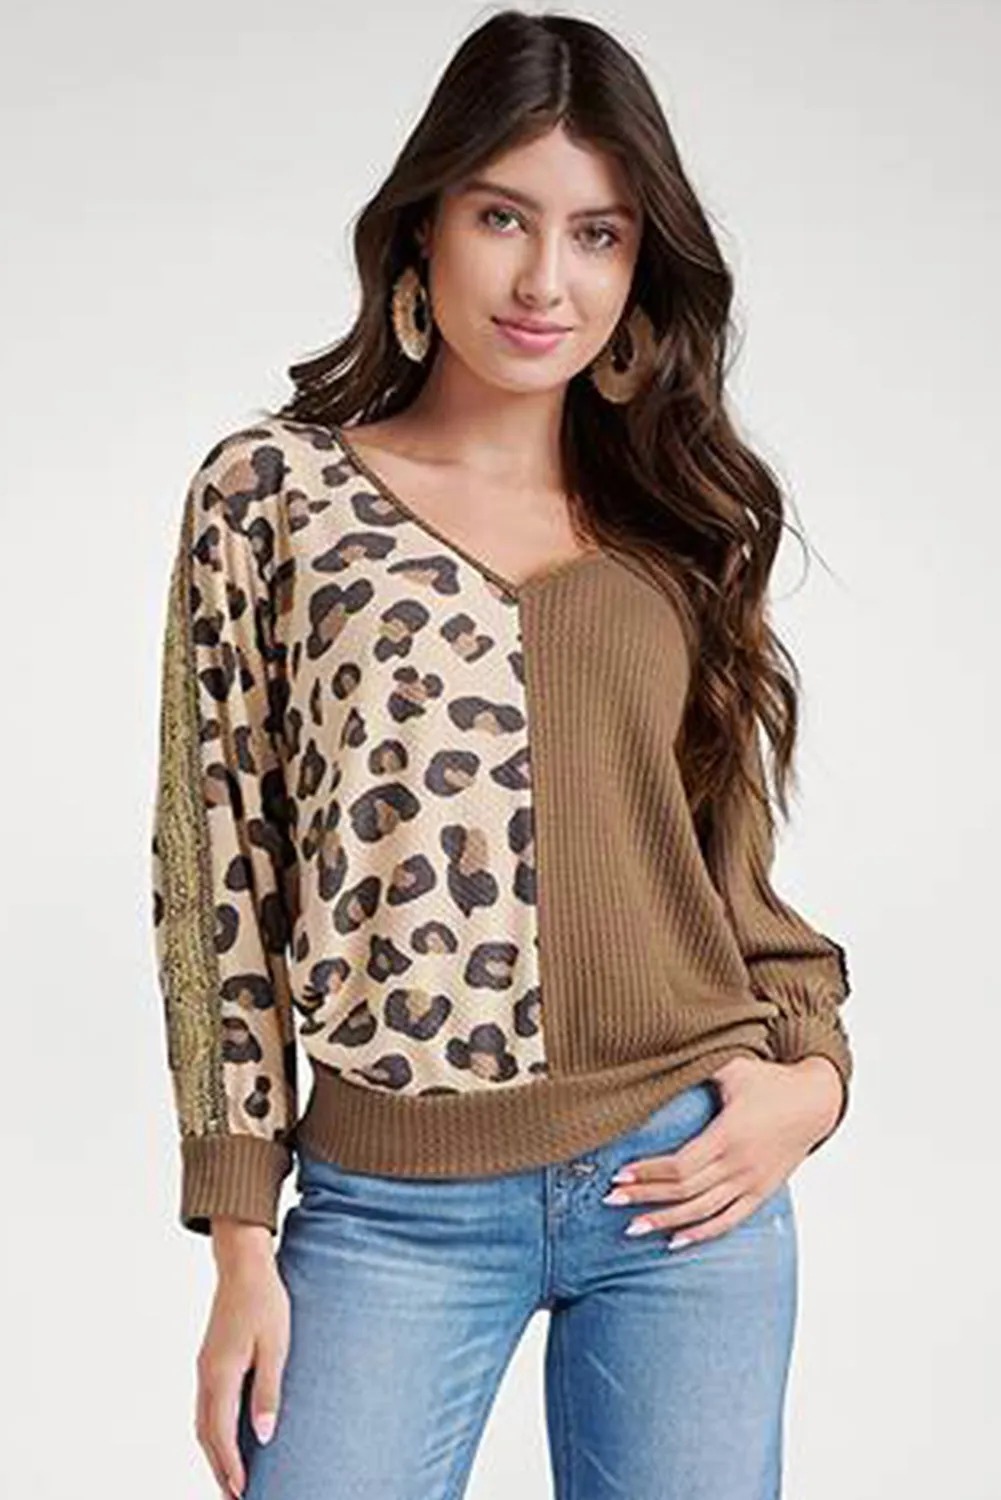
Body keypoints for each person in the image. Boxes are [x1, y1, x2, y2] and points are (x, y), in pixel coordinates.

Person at [149, 10, 854, 1498]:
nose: (547, 281)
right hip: (391, 1207)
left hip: (683, 1187)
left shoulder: (671, 533)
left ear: (638, 266)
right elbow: (216, 875)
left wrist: (813, 1082)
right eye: (501, 218)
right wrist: (239, 1238)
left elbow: (728, 878)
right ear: (423, 230)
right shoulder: (274, 494)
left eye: (598, 234)